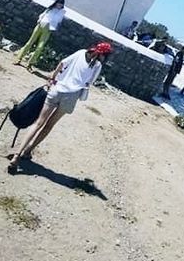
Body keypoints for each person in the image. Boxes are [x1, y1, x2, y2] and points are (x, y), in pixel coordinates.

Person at [7, 42, 112, 174]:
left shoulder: (80, 53)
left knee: (38, 122)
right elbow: (89, 83)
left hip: (56, 90)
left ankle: (17, 154)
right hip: (70, 97)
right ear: (104, 55)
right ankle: (28, 151)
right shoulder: (97, 66)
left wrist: (53, 78)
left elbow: (62, 63)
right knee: (48, 126)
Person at [14, 0, 66, 69]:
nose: (59, 5)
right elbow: (43, 14)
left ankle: (30, 63)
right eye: (58, 3)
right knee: (30, 42)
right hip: (40, 25)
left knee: (40, 47)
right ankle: (19, 58)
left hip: (48, 29)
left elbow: (58, 21)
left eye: (61, 4)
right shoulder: (50, 8)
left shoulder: (62, 11)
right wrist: (39, 20)